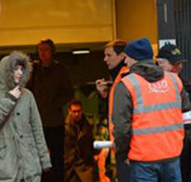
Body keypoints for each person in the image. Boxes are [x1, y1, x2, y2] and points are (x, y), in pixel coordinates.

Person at [113, 38, 191, 182]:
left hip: (143, 160)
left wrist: (123, 154)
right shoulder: (174, 81)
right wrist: (179, 145)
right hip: (172, 157)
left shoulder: (126, 85)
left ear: (134, 59)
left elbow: (121, 129)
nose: (125, 62)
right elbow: (187, 118)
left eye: (127, 58)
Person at [0, 51, 51, 182]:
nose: (20, 72)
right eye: (15, 69)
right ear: (5, 71)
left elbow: (37, 129)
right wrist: (10, 98)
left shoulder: (27, 95)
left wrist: (44, 160)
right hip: (3, 168)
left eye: (22, 69)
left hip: (29, 167)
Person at [28, 39, 73, 182]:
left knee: (57, 157)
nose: (42, 53)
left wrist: (55, 104)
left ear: (52, 52)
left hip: (54, 120)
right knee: (37, 156)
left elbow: (68, 92)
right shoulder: (34, 70)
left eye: (45, 50)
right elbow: (27, 90)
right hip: (37, 120)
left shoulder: (60, 70)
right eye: (40, 50)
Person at [94, 39, 129, 181]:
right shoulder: (116, 78)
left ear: (121, 56)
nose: (105, 59)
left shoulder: (126, 76)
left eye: (109, 55)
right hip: (122, 143)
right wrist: (105, 96)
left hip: (128, 145)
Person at [157, 44, 191, 182]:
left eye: (180, 63)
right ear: (159, 63)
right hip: (160, 151)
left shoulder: (186, 86)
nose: (179, 67)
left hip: (184, 150)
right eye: (174, 63)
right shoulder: (149, 86)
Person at [64, 99, 94, 182]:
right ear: (69, 111)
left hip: (84, 166)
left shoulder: (87, 126)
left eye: (79, 111)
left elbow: (91, 143)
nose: (77, 114)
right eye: (74, 111)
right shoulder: (64, 127)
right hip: (69, 168)